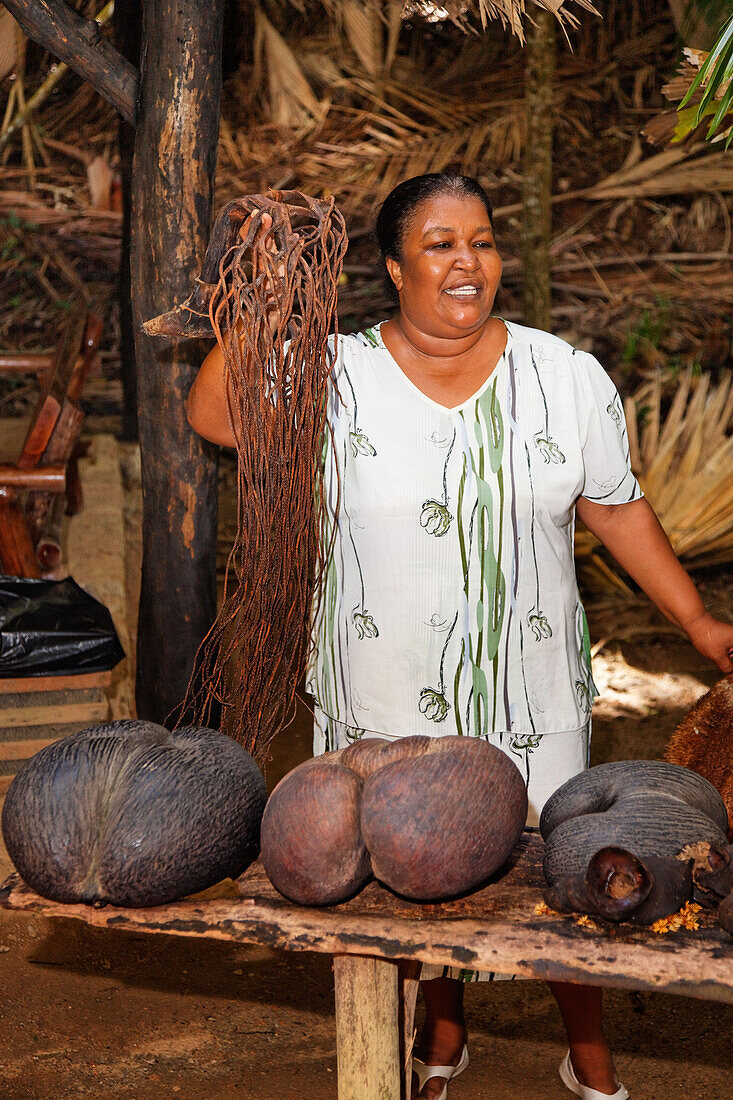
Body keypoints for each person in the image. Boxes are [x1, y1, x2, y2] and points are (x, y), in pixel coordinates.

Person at [186, 173, 733, 1100]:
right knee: (409, 868)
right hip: (378, 680)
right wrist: (264, 296)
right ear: (395, 268)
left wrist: (697, 621)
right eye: (439, 243)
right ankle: (440, 1035)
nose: (466, 260)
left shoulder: (563, 375)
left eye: (480, 240)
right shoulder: (332, 372)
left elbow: (616, 506)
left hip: (528, 684)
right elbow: (212, 414)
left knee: (572, 869)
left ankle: (586, 1052)